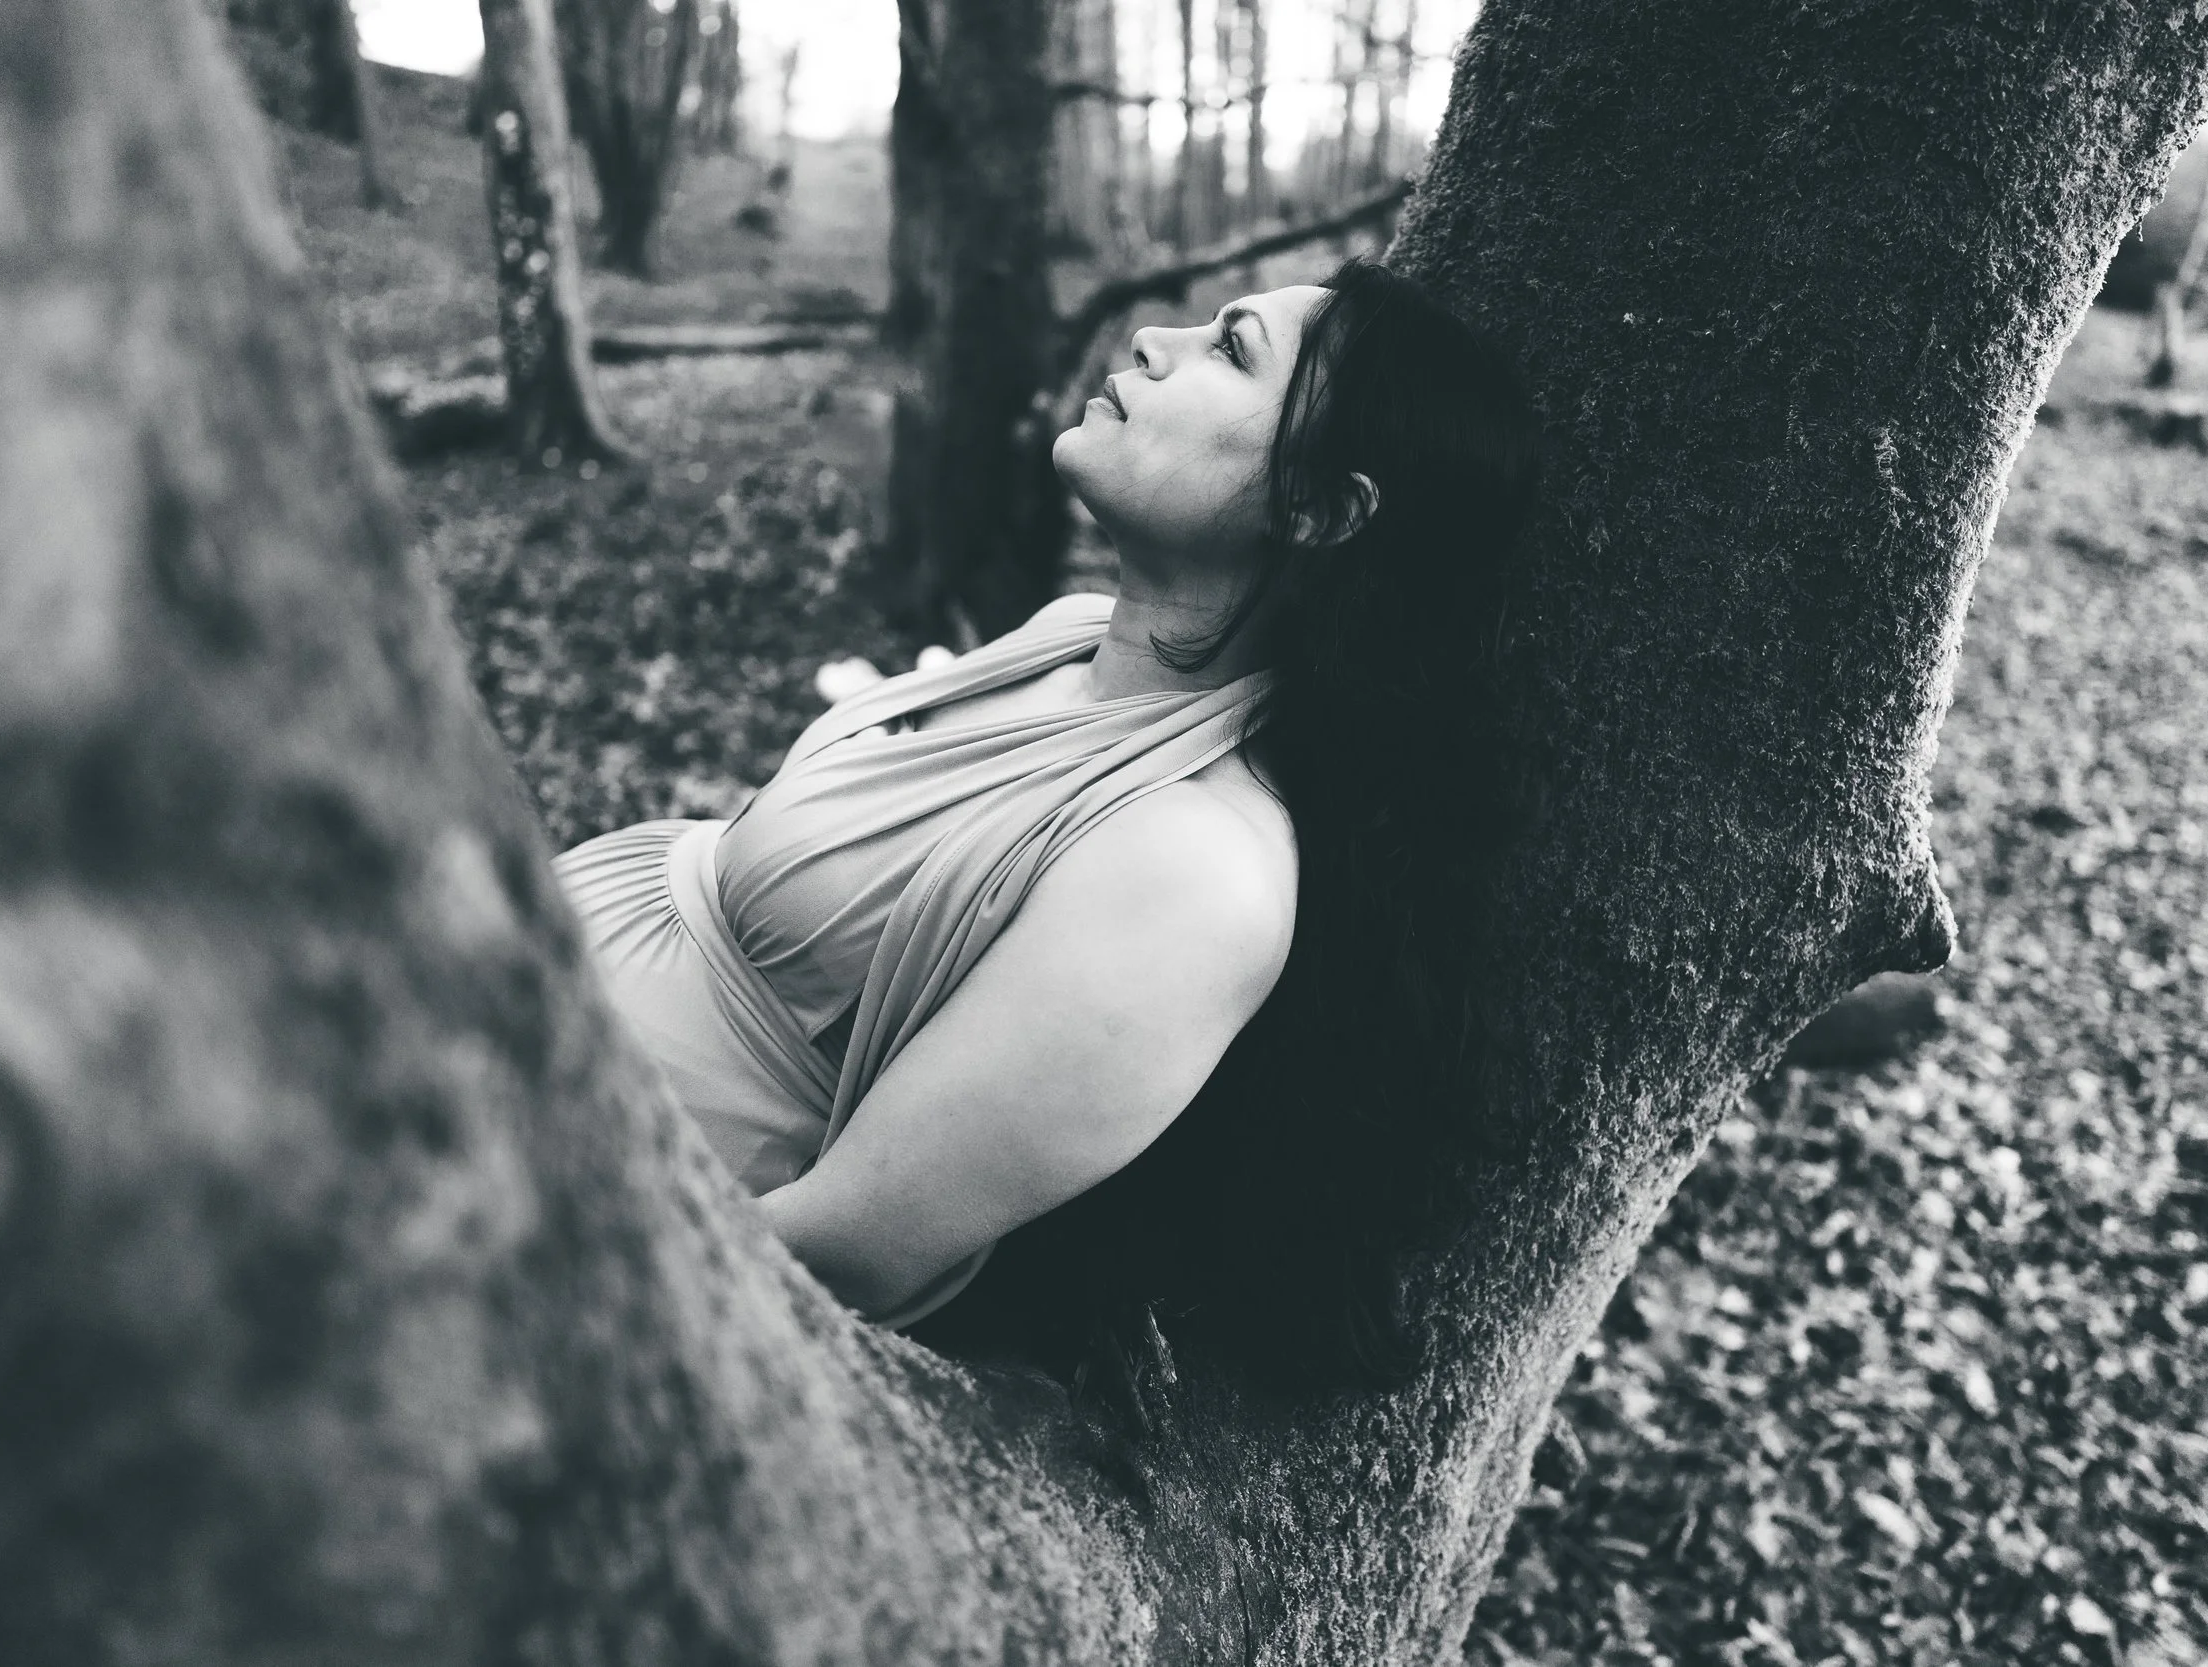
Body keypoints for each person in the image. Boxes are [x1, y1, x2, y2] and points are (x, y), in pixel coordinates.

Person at [555, 259, 1539, 1377]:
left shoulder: (1199, 871)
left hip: (589, 1214)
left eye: (1228, 351)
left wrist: (548, 1252)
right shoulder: (1069, 630)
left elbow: (860, 1248)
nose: (1152, 338)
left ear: (1318, 508)